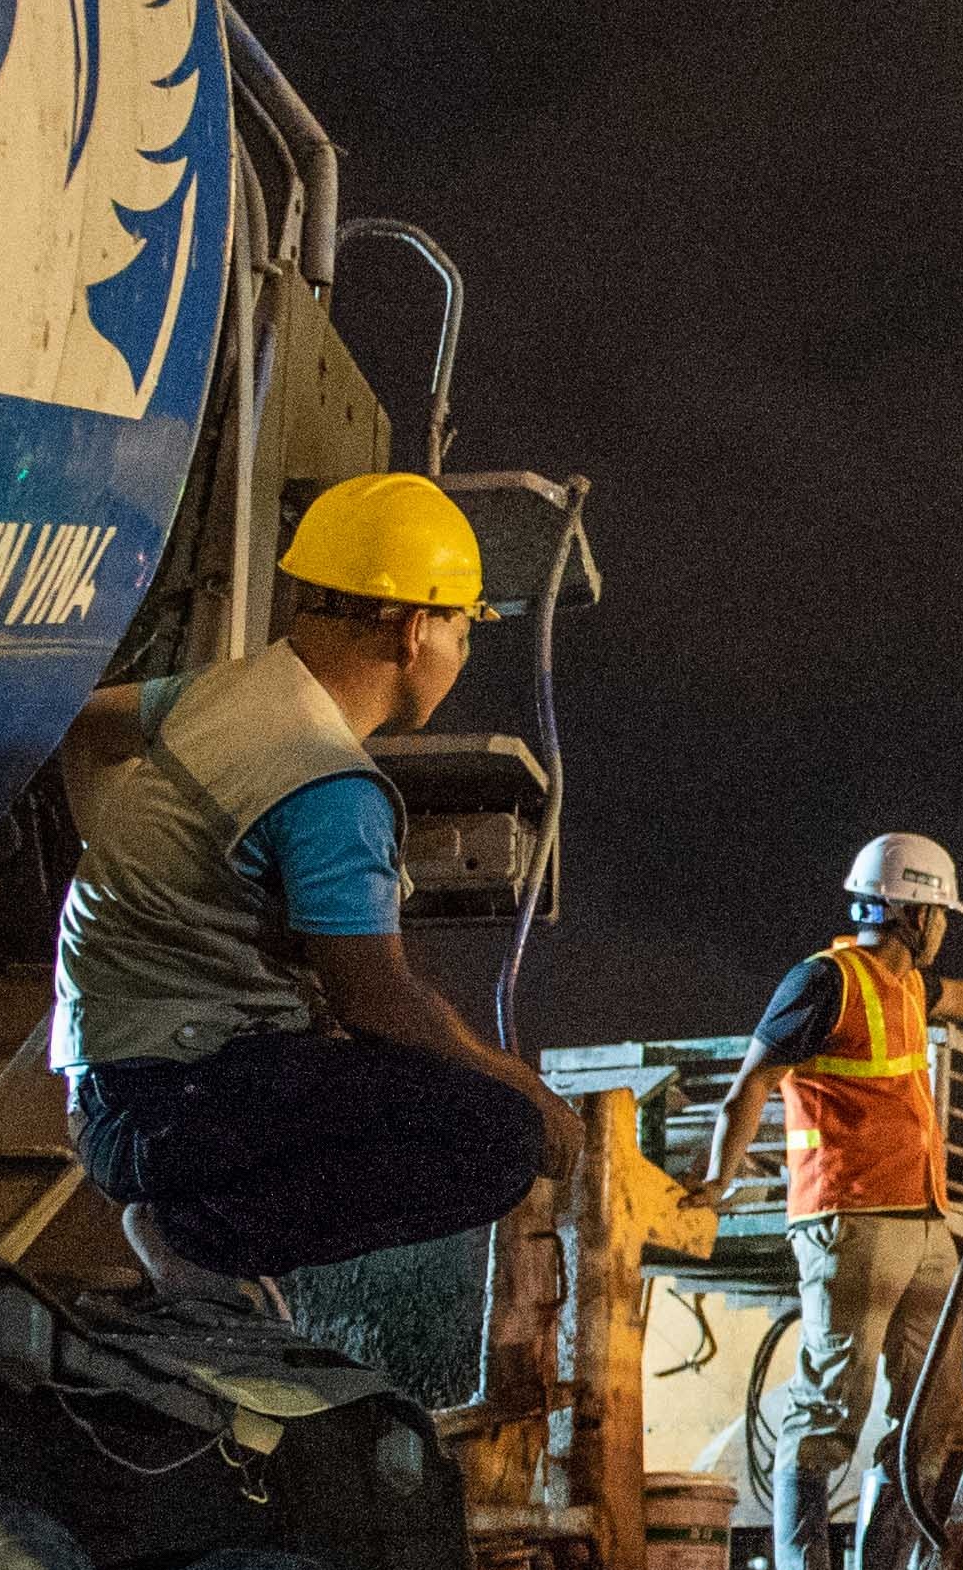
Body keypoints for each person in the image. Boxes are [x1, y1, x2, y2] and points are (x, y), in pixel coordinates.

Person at [55, 471, 576, 1310]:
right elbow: (377, 1000)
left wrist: (108, 856)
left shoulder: (232, 692)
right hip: (168, 1105)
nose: (461, 655)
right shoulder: (330, 785)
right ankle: (198, 1237)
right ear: (414, 631)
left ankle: (206, 1234)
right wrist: (528, 1090)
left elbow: (83, 726)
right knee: (494, 1139)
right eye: (464, 629)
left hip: (111, 1084)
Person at [707, 833, 963, 1570]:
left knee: (935, 1414)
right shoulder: (826, 980)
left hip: (923, 1222)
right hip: (849, 1219)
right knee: (831, 1408)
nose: (945, 926)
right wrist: (714, 1183)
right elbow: (751, 1083)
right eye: (940, 912)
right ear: (912, 910)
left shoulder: (910, 987)